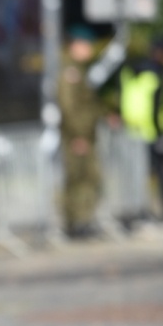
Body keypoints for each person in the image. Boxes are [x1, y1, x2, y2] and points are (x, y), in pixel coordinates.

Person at [58, 26, 105, 238]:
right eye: (86, 45)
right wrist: (79, 135)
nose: (90, 50)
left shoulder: (78, 69)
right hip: (77, 136)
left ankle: (82, 221)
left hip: (84, 134)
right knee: (80, 180)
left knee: (87, 179)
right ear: (76, 44)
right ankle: (77, 223)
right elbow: (68, 106)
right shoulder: (70, 71)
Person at [119, 37, 163, 216]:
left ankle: (141, 212)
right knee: (155, 175)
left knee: (138, 175)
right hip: (154, 131)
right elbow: (155, 106)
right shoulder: (155, 74)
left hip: (134, 130)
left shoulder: (132, 71)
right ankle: (148, 212)